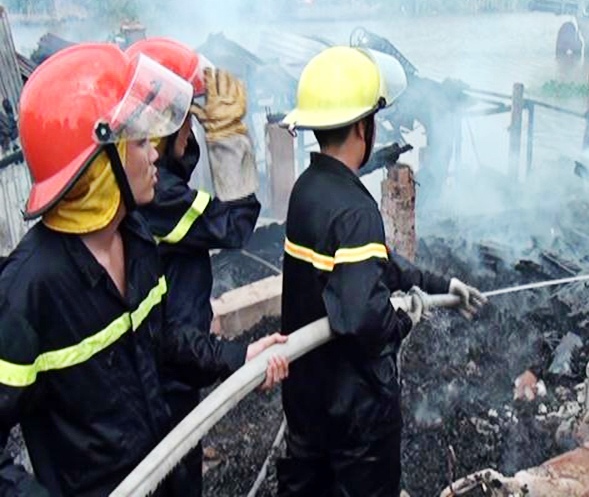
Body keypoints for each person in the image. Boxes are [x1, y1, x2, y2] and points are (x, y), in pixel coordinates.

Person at [0, 44, 289, 496]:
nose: (154, 155)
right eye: (138, 141)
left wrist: (237, 358)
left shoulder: (134, 237)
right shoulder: (29, 290)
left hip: (167, 468)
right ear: (100, 163)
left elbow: (162, 342)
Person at [276, 46, 486, 496]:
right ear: (362, 127)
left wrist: (436, 284)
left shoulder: (307, 189)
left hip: (308, 401)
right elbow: (364, 320)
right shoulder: (355, 210)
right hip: (354, 419)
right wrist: (405, 318)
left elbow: (377, 263)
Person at [125, 37, 262, 496]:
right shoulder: (158, 194)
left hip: (159, 372)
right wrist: (230, 140)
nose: (193, 130)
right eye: (188, 118)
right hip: (165, 385)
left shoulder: (152, 183)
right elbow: (233, 225)